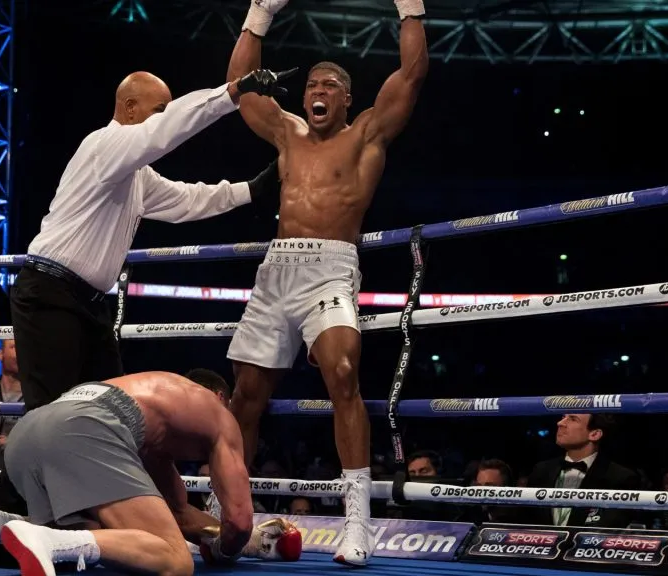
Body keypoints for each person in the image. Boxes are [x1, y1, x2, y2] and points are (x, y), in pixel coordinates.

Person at [0, 67, 293, 560]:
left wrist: (255, 188)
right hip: (50, 296)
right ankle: (5, 531)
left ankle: (116, 526)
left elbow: (191, 199)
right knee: (48, 414)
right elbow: (166, 132)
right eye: (156, 109)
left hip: (89, 305)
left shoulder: (136, 176)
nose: (161, 120)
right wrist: (231, 93)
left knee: (118, 419)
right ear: (127, 109)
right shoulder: (104, 148)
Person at [220, 0, 429, 566]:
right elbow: (238, 86)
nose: (317, 88)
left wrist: (409, 8)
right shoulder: (287, 134)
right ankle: (230, 519)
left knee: (342, 371)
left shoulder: (366, 135)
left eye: (330, 84)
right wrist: (260, 12)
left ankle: (356, 524)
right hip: (276, 268)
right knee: (244, 399)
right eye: (311, 82)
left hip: (332, 267)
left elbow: (411, 74)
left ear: (346, 99)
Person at [0, 372, 302, 576]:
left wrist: (255, 540)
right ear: (219, 396)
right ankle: (46, 541)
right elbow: (236, 520)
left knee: (117, 535)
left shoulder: (156, 424)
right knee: (174, 561)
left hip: (33, 430)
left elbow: (178, 516)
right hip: (86, 428)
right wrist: (231, 546)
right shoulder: (220, 418)